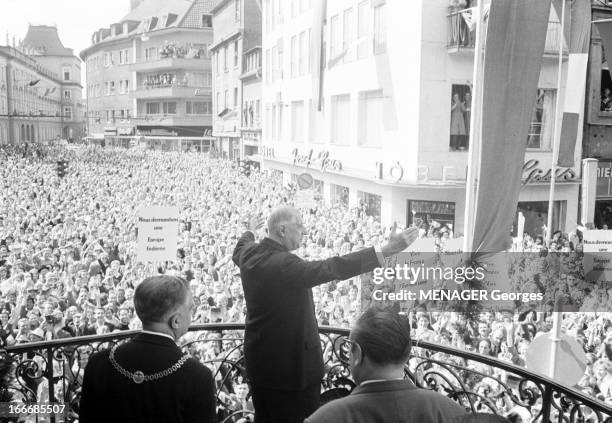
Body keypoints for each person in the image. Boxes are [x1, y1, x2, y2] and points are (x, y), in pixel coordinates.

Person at [232, 206, 418, 423]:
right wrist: (385, 250)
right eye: (299, 226)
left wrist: (250, 231)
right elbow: (334, 267)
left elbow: (240, 245)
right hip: (292, 373)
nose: (305, 230)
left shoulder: (248, 253)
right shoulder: (285, 265)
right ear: (282, 230)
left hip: (259, 364)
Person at [79, 275, 216, 423]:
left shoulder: (99, 363)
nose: (192, 314)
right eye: (190, 308)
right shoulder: (198, 376)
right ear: (176, 320)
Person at [305, 307, 467, 423]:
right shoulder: (453, 411)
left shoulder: (325, 418)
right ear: (406, 353)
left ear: (357, 353)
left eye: (349, 346)